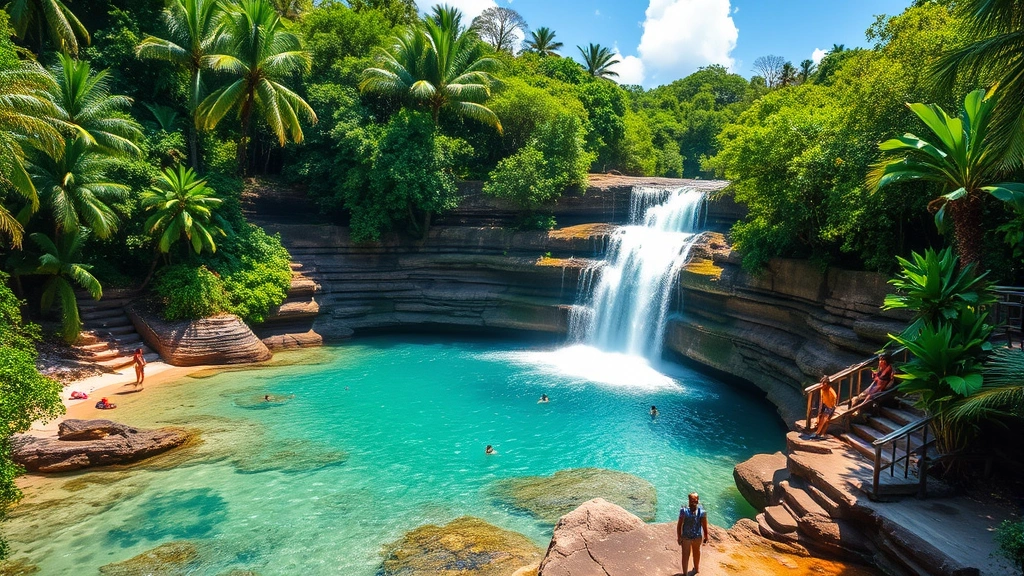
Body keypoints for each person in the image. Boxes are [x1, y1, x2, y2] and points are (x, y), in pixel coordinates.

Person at [677, 492, 709, 575]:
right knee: (685, 555)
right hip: (686, 537)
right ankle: (685, 573)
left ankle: (696, 569)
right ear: (688, 500)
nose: (693, 502)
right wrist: (679, 536)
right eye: (691, 500)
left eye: (695, 500)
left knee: (697, 553)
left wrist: (706, 536)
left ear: (698, 501)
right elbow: (679, 525)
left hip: (697, 536)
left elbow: (704, 525)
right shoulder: (683, 511)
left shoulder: (702, 511)